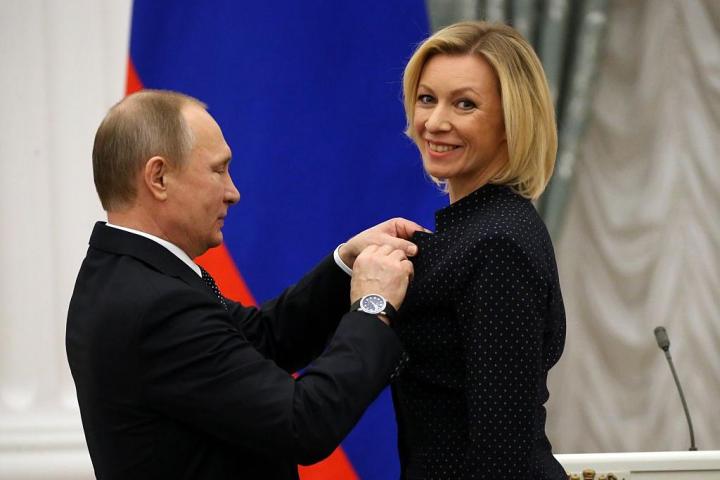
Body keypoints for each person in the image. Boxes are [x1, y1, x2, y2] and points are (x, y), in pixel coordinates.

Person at [66, 89, 422, 480]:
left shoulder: (121, 274)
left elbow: (263, 338)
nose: (233, 193)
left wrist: (346, 265)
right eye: (218, 170)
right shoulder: (155, 306)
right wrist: (373, 307)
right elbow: (303, 421)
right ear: (159, 177)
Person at [391, 21, 567, 479]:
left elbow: (502, 451)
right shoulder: (476, 229)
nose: (435, 122)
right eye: (426, 98)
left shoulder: (497, 242)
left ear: (512, 121)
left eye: (464, 104)